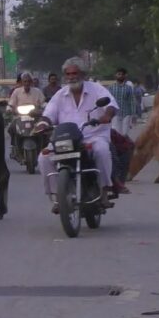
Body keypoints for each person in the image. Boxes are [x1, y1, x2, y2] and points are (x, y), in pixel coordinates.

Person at [36, 57, 118, 213]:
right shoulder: (60, 95)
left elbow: (111, 105)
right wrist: (43, 123)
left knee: (102, 151)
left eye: (75, 73)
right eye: (68, 74)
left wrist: (107, 115)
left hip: (93, 136)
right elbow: (48, 114)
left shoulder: (97, 89)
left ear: (83, 74)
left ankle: (104, 192)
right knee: (44, 157)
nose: (71, 77)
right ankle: (57, 196)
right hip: (66, 139)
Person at [107, 68, 136, 137]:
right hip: (115, 114)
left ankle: (125, 143)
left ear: (125, 76)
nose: (120, 76)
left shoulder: (128, 88)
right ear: (115, 75)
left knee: (125, 134)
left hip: (126, 113)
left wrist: (133, 115)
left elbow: (132, 101)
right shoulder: (111, 87)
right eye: (119, 74)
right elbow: (108, 101)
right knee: (117, 133)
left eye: (122, 74)